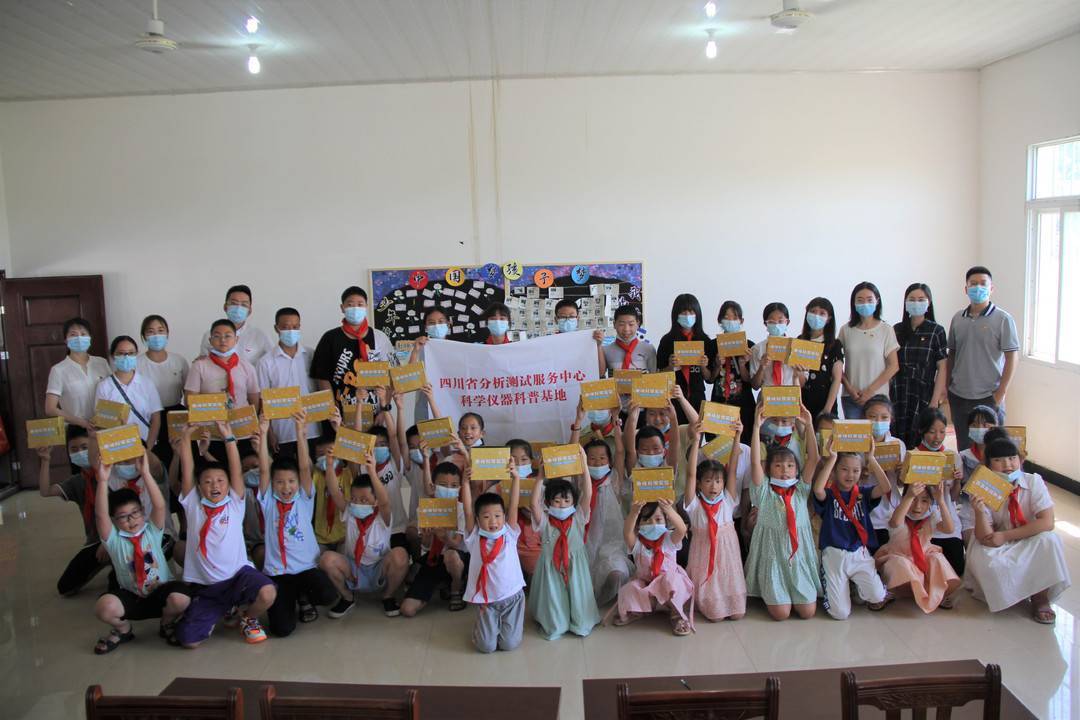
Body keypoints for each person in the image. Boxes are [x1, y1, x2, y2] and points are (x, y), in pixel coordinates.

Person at [174, 421, 277, 647]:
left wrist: (229, 438)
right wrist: (186, 437)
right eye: (208, 482)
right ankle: (221, 610)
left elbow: (236, 470)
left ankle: (247, 617)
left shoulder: (234, 503)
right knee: (189, 642)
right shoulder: (193, 505)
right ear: (199, 487)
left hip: (238, 577)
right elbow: (187, 470)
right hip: (207, 587)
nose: (215, 486)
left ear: (228, 484)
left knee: (268, 593)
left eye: (220, 481)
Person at [91, 452, 191, 653]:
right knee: (104, 607)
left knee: (181, 599)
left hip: (161, 593)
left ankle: (167, 623)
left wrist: (145, 473)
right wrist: (102, 481)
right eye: (123, 517)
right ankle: (123, 629)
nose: (131, 520)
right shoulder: (114, 540)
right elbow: (101, 515)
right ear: (114, 521)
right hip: (132, 596)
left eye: (135, 513)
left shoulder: (152, 531)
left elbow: (160, 505)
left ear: (142, 512)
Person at [964, 437, 1070, 623]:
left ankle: (1040, 598)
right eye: (998, 460)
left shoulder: (1033, 481)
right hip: (995, 540)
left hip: (1026, 536)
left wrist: (1006, 536)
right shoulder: (984, 487)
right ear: (988, 465)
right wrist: (979, 512)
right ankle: (1012, 593)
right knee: (991, 562)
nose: (1007, 465)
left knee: (1049, 541)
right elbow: (984, 536)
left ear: (1020, 460)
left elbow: (1047, 522)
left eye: (1012, 458)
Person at [254, 412, 339, 637]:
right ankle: (291, 600)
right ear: (272, 484)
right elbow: (264, 470)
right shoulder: (268, 501)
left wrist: (300, 431)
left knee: (328, 594)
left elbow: (303, 468)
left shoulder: (304, 498)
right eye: (280, 482)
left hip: (306, 569)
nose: (286, 487)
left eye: (291, 481)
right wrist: (263, 432)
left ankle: (303, 597)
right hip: (278, 573)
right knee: (282, 630)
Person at [744, 402, 821, 621]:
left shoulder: (801, 489)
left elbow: (814, 459)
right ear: (769, 469)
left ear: (797, 469)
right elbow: (754, 463)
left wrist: (809, 425)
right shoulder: (764, 491)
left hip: (798, 556)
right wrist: (756, 427)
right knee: (781, 614)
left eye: (789, 466)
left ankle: (795, 590)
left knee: (807, 612)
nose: (784, 470)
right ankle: (774, 591)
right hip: (773, 555)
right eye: (778, 465)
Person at [319, 450, 409, 618]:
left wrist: (372, 471)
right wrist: (330, 465)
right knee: (326, 559)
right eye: (354, 499)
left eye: (364, 500)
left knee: (400, 555)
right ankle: (347, 597)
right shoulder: (349, 512)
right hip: (353, 567)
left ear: (375, 501)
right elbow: (334, 491)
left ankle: (388, 596)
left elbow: (384, 501)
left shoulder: (383, 516)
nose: (357, 503)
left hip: (379, 567)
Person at [811, 438, 892, 620]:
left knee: (878, 596)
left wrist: (871, 459)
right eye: (844, 469)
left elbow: (885, 487)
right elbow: (817, 490)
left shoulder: (864, 494)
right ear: (834, 472)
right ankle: (843, 588)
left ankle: (856, 587)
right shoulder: (829, 495)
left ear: (861, 472)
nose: (850, 475)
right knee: (840, 614)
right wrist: (832, 458)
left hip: (859, 553)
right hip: (834, 554)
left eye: (856, 470)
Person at [527, 449, 602, 640]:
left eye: (567, 500)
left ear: (573, 503)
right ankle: (557, 620)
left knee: (580, 611)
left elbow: (588, 493)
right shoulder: (545, 521)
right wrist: (540, 477)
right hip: (552, 568)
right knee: (556, 621)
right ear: (548, 503)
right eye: (557, 501)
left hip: (575, 566)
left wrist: (584, 465)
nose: (562, 505)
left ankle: (579, 619)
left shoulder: (578, 518)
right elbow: (534, 504)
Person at [946, 266, 1019, 451]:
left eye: (983, 283)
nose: (978, 287)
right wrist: (947, 387)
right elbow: (952, 354)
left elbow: (1012, 357)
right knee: (965, 448)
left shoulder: (1003, 319)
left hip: (989, 396)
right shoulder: (957, 318)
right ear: (966, 289)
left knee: (992, 449)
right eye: (973, 284)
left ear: (991, 288)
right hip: (959, 395)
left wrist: (1000, 393)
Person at [683, 421, 747, 621]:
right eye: (708, 481)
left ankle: (729, 599)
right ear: (699, 484)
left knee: (738, 614)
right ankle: (709, 600)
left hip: (728, 554)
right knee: (715, 616)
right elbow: (691, 474)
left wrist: (737, 437)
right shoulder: (694, 504)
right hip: (704, 554)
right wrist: (696, 440)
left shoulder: (728, 500)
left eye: (718, 481)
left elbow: (733, 468)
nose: (713, 486)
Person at [36, 427, 111, 595]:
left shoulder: (111, 472)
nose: (80, 453)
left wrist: (109, 542)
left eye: (85, 447)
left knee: (117, 583)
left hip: (119, 537)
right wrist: (45, 460)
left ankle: (115, 567)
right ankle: (105, 562)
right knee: (66, 587)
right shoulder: (77, 481)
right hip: (94, 542)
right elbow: (45, 491)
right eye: (74, 449)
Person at [461, 463, 527, 653]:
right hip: (487, 601)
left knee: (509, 645)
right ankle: (485, 628)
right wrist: (465, 483)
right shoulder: (474, 537)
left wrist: (516, 478)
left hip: (512, 597)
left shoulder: (509, 533)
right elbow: (467, 510)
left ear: (504, 517)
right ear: (477, 519)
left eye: (498, 516)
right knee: (486, 647)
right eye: (486, 517)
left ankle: (503, 627)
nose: (493, 521)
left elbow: (513, 505)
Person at [610, 499, 694, 636]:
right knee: (629, 589)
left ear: (666, 522)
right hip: (647, 585)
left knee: (672, 581)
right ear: (638, 525)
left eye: (658, 519)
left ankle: (676, 614)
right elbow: (627, 533)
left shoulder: (669, 539)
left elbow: (682, 529)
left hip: (668, 586)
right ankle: (639, 610)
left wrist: (669, 509)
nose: (653, 524)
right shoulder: (637, 544)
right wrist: (634, 512)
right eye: (646, 520)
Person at [875, 482, 960, 614]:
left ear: (930, 502)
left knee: (937, 558)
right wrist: (909, 496)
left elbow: (949, 529)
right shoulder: (896, 514)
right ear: (905, 498)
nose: (918, 506)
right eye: (914, 499)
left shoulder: (932, 517)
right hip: (899, 556)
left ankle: (937, 592)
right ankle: (890, 591)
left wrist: (941, 501)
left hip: (922, 557)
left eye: (924, 501)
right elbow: (895, 522)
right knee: (900, 563)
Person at [401, 460, 470, 616]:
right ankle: (441, 583)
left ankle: (456, 588)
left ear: (459, 488)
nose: (449, 489)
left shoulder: (461, 510)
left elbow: (456, 544)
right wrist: (427, 537)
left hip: (457, 558)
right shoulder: (425, 509)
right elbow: (425, 546)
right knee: (407, 609)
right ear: (433, 486)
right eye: (443, 485)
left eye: (454, 485)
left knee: (451, 555)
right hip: (434, 558)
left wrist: (445, 537)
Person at [311, 286, 395, 410]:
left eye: (360, 304)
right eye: (350, 305)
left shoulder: (380, 337)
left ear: (366, 307)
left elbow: (392, 374)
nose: (355, 308)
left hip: (375, 410)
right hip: (340, 412)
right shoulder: (329, 338)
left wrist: (384, 409)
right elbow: (322, 378)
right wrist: (332, 410)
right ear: (342, 308)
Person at [256, 307, 320, 456]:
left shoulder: (310, 355)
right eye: (285, 327)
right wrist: (269, 433)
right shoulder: (265, 362)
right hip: (283, 433)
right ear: (276, 328)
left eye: (295, 327)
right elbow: (263, 401)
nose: (291, 331)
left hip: (312, 429)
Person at [890, 283, 948, 446]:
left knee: (920, 437)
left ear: (929, 303)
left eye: (921, 299)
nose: (916, 303)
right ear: (905, 302)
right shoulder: (897, 330)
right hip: (899, 391)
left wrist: (934, 400)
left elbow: (942, 368)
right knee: (897, 437)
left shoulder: (936, 331)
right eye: (912, 299)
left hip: (924, 393)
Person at [578, 438, 632, 606]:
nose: (597, 462)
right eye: (592, 458)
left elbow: (621, 453)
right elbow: (573, 451)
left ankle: (605, 600)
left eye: (602, 458)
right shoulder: (581, 482)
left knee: (617, 574)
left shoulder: (614, 480)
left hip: (613, 546)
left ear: (609, 460)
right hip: (584, 545)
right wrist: (576, 427)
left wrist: (617, 428)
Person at [915, 408, 965, 578]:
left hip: (947, 517)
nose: (937, 437)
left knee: (957, 569)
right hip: (924, 520)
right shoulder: (914, 455)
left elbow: (954, 497)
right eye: (932, 432)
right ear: (922, 430)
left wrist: (957, 481)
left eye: (942, 431)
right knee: (926, 568)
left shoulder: (952, 457)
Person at [839, 282, 899, 419]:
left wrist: (870, 391)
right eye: (860, 300)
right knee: (854, 433)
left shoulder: (886, 330)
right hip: (851, 398)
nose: (865, 304)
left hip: (878, 399)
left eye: (869, 299)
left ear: (877, 301)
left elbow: (893, 366)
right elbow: (836, 364)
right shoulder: (846, 330)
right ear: (853, 303)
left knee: (877, 433)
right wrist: (850, 389)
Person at [656, 294, 715, 424]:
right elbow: (658, 375)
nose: (687, 316)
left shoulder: (705, 340)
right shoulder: (667, 340)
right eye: (683, 312)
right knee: (675, 434)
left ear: (697, 314)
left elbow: (709, 378)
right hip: (673, 398)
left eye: (691, 312)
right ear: (675, 314)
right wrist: (670, 367)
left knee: (697, 431)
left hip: (697, 397)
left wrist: (703, 366)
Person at [137, 315, 189, 464]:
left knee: (180, 458)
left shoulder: (178, 360)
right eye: (151, 331)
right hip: (149, 417)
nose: (156, 336)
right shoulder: (137, 363)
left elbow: (188, 393)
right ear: (144, 336)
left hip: (175, 414)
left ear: (167, 334)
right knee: (155, 459)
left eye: (160, 331)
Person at [95, 335, 163, 446]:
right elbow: (103, 423)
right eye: (121, 353)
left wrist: (149, 448)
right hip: (118, 446)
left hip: (147, 443)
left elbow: (156, 418)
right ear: (112, 356)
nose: (126, 357)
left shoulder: (147, 383)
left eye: (131, 353)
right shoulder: (104, 386)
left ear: (136, 354)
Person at [45, 317, 111, 429]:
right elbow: (50, 409)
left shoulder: (102, 363)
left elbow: (112, 392)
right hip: (77, 429)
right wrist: (83, 423)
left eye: (83, 334)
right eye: (73, 334)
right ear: (65, 340)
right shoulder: (58, 370)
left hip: (105, 426)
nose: (79, 338)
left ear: (90, 338)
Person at [184, 319, 260, 409]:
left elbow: (254, 399)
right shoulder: (199, 366)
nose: (223, 340)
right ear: (210, 340)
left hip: (241, 416)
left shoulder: (247, 367)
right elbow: (190, 400)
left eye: (227, 336)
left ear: (236, 339)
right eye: (217, 336)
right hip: (210, 416)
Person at [863, 395, 907, 547]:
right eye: (872, 417)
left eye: (884, 417)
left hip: (893, 509)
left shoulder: (898, 444)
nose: (878, 422)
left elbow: (901, 483)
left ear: (891, 419)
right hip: (868, 511)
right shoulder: (857, 447)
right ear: (864, 418)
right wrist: (860, 474)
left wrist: (902, 473)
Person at [710, 301, 756, 444]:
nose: (730, 321)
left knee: (744, 445)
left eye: (735, 317)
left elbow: (752, 382)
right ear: (719, 320)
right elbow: (709, 379)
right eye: (726, 317)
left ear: (741, 321)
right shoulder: (712, 345)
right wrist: (717, 365)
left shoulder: (749, 346)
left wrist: (742, 364)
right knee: (718, 446)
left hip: (744, 406)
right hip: (719, 405)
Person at [198, 285, 274, 366]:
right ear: (225, 307)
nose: (238, 308)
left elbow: (274, 362)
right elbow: (203, 363)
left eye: (244, 305)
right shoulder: (210, 335)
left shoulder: (261, 336)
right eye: (233, 303)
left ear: (249, 311)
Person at [798, 298, 844, 419]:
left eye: (822, 313)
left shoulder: (835, 344)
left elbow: (837, 379)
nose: (816, 316)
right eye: (813, 311)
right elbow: (797, 379)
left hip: (825, 404)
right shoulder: (800, 341)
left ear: (829, 318)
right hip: (802, 403)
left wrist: (827, 410)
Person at [407, 308, 454, 422]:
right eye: (431, 323)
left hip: (453, 405)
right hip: (425, 406)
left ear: (448, 324)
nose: (436, 326)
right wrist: (416, 351)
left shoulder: (457, 348)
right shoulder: (421, 348)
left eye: (441, 322)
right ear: (426, 327)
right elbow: (408, 379)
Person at [602, 304, 656, 381]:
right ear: (614, 324)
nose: (626, 329)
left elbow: (654, 377)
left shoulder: (648, 349)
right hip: (615, 389)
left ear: (638, 324)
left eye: (631, 324)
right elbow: (600, 375)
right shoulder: (605, 350)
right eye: (621, 324)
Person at [554, 298, 607, 374]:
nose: (567, 320)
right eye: (563, 317)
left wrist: (598, 345)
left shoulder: (589, 340)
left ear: (577, 319)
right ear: (556, 319)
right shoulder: (549, 343)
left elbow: (601, 372)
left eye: (571, 316)